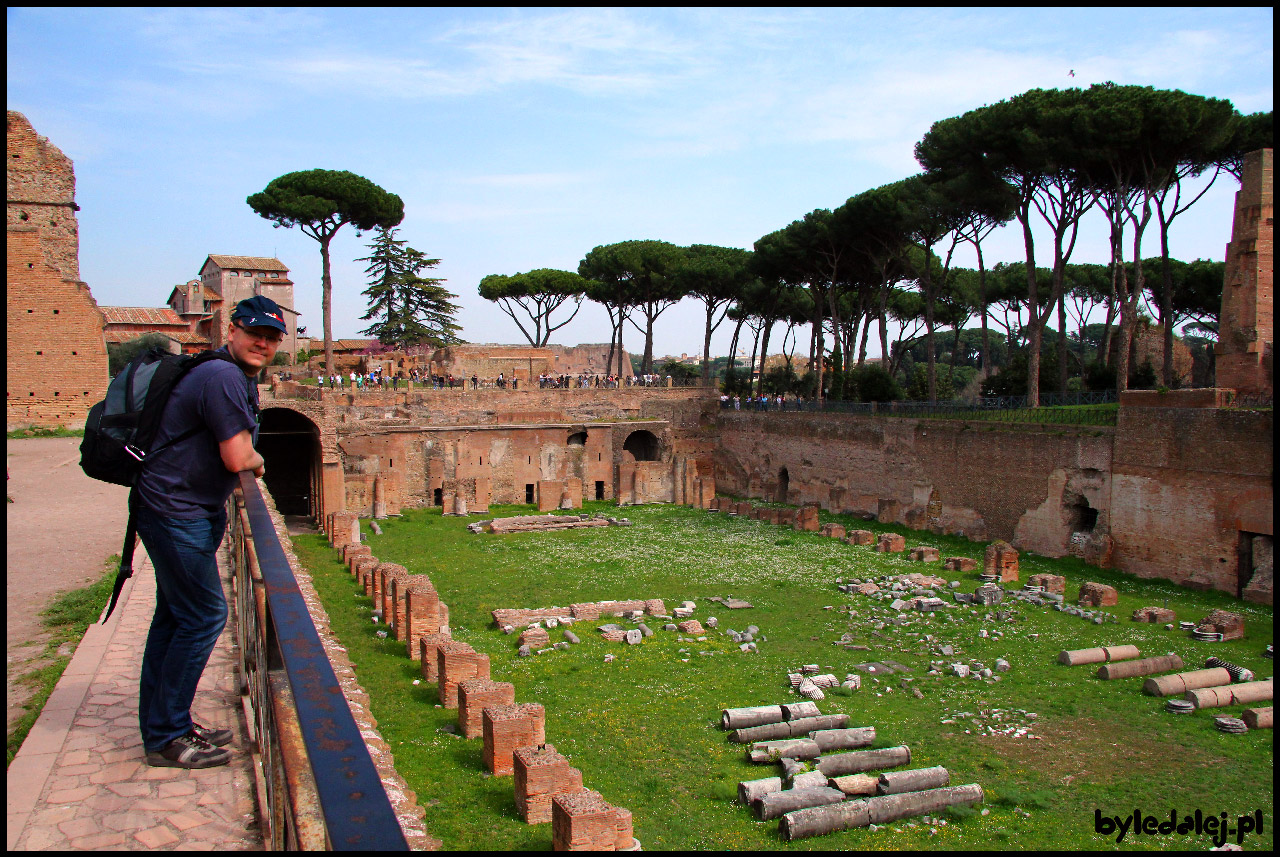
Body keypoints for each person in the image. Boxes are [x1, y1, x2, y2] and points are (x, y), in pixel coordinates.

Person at [133, 295, 283, 768]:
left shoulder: (222, 372)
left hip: (175, 507)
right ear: (231, 329)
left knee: (174, 619)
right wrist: (260, 461)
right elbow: (240, 458)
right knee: (202, 617)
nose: (263, 342)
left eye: (272, 337)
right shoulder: (222, 377)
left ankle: (166, 725)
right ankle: (168, 737)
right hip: (177, 511)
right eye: (255, 332)